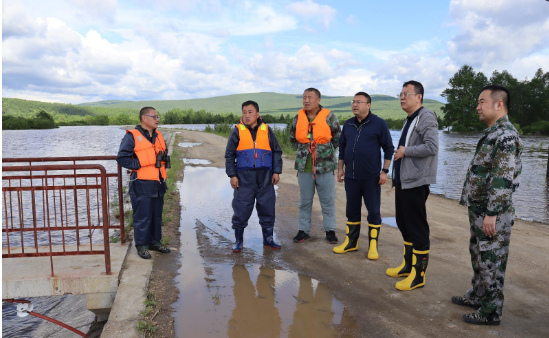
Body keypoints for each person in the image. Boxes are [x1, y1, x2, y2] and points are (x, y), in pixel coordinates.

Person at [453, 85, 523, 326]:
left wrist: (492, 214)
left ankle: (491, 312)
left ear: (499, 104)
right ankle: (479, 296)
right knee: (479, 255)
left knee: (491, 260)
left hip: (492, 213)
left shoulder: (506, 136)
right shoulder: (494, 133)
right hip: (481, 210)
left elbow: (502, 179)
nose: (477, 106)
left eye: (482, 102)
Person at [386, 80, 438, 291]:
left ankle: (419, 275)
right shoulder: (410, 118)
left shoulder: (426, 117)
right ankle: (408, 265)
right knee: (403, 222)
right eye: (400, 94)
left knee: (417, 227)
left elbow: (432, 147)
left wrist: (406, 151)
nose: (402, 97)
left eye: (406, 94)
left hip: (416, 181)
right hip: (403, 181)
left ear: (419, 97)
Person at [334, 92, 394, 259]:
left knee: (373, 211)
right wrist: (340, 169)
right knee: (351, 210)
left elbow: (389, 148)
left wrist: (385, 171)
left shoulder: (379, 124)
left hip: (371, 177)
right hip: (351, 177)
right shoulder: (348, 125)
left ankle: (373, 246)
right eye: (353, 102)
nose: (355, 104)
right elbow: (342, 149)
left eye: (359, 102)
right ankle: (351, 243)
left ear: (368, 105)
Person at [225, 100, 283, 253]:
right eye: (244, 112)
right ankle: (238, 241)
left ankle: (268, 240)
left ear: (257, 114)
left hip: (266, 177)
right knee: (241, 209)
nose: (247, 115)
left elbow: (276, 151)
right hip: (244, 178)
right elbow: (229, 155)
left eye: (250, 112)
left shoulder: (267, 130)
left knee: (267, 208)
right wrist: (232, 175)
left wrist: (276, 171)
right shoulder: (237, 131)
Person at [116, 107, 171, 259]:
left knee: (156, 215)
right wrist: (139, 163)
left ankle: (155, 242)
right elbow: (122, 158)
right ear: (144, 118)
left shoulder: (159, 135)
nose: (157, 119)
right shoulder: (132, 136)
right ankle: (141, 245)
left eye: (158, 116)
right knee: (142, 216)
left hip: (158, 182)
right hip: (141, 182)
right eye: (154, 116)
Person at [289, 88, 341, 244]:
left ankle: (330, 231)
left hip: (325, 167)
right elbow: (293, 139)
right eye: (304, 98)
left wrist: (325, 151)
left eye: (310, 98)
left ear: (318, 99)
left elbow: (338, 138)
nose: (306, 101)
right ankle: (303, 231)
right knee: (305, 201)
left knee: (328, 200)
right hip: (304, 167)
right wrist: (304, 150)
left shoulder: (330, 117)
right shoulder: (297, 118)